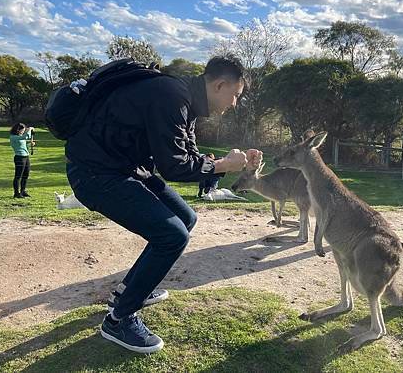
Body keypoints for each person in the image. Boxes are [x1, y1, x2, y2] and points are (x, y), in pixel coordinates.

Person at [65, 55, 262, 354]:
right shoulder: (172, 96)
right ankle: (119, 320)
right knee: (172, 235)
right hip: (95, 173)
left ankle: (128, 293)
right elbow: (175, 168)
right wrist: (224, 164)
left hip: (126, 168)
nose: (234, 104)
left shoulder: (185, 100)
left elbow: (187, 155)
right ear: (220, 85)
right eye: (235, 95)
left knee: (185, 217)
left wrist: (228, 163)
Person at [9, 123, 35, 198]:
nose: (23, 132)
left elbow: (26, 140)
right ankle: (16, 193)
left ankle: (23, 191)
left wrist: (30, 144)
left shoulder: (20, 137)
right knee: (18, 176)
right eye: (22, 130)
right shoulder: (13, 137)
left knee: (25, 175)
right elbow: (26, 136)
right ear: (18, 130)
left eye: (24, 130)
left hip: (26, 157)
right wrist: (29, 129)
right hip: (19, 158)